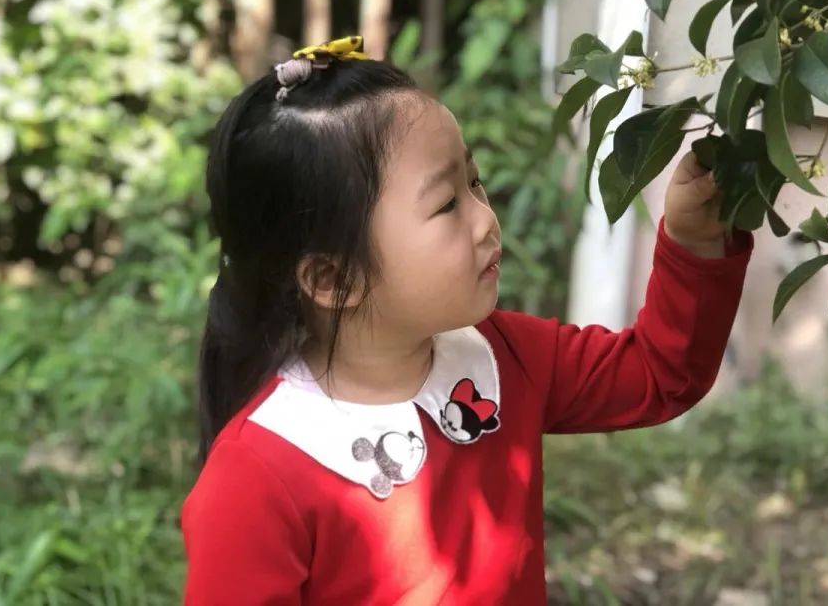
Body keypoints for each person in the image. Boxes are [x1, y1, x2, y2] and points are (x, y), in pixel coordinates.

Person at [180, 35, 755, 605]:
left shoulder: (503, 356)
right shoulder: (257, 479)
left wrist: (695, 242)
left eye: (473, 182)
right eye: (447, 205)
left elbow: (659, 373)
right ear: (334, 279)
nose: (485, 220)